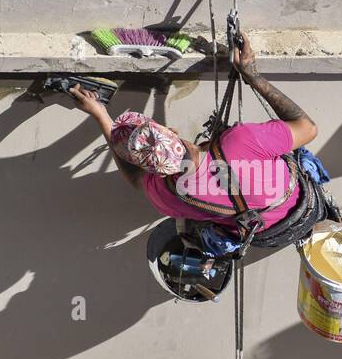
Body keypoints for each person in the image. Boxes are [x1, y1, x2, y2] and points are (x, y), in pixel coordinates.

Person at [68, 34, 319, 238]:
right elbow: (308, 128)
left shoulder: (167, 194)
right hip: (301, 203)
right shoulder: (242, 141)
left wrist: (100, 115)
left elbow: (135, 179)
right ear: (173, 132)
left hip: (269, 231)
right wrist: (253, 76)